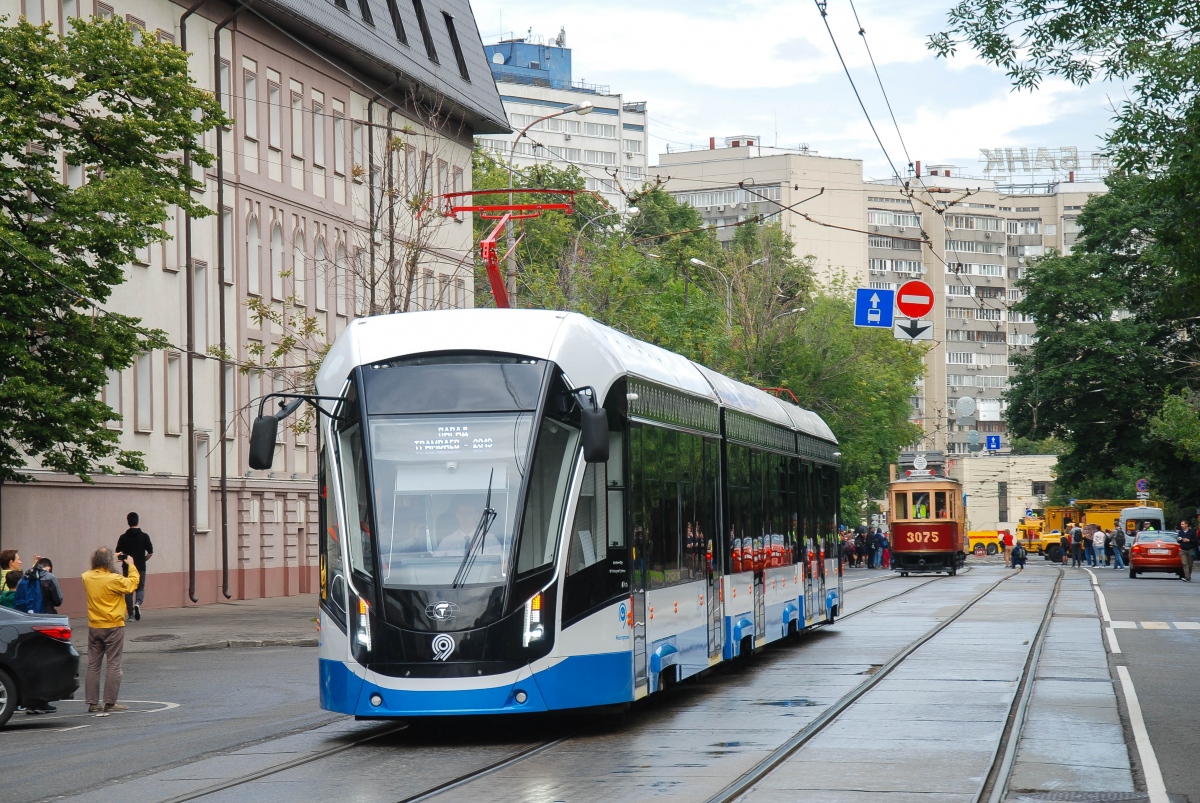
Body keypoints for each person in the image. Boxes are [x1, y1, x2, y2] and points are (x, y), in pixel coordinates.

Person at [82, 547, 140, 713]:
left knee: (93, 665)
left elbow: (92, 572)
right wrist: (131, 566)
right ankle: (110, 702)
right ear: (109, 562)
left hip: (94, 625)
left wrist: (107, 559)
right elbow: (131, 586)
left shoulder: (86, 577)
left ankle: (93, 703)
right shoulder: (114, 579)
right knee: (113, 664)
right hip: (113, 625)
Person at [115, 512, 154, 621]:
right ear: (138, 521)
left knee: (128, 590)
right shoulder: (144, 536)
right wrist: (143, 560)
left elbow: (118, 553)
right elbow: (150, 552)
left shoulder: (123, 537)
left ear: (128, 522)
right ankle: (138, 604)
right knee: (140, 588)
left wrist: (125, 559)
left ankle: (131, 615)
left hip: (127, 567)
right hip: (140, 567)